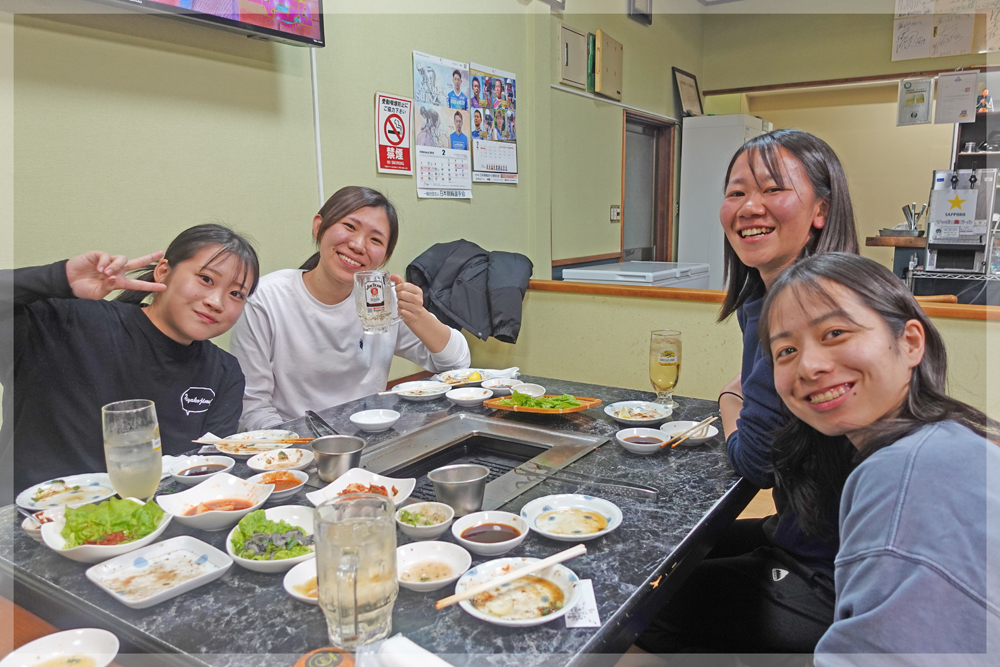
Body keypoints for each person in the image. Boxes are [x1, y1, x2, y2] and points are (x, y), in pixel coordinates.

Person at [636, 129, 860, 654]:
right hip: (801, 528)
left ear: (821, 211)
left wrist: (729, 401)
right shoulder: (780, 294)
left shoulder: (811, 305)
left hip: (833, 570)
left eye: (772, 189)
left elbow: (755, 460)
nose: (748, 207)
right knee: (663, 554)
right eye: (736, 192)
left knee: (642, 606)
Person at [759, 252, 999, 661]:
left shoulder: (909, 472)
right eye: (786, 351)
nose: (810, 366)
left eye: (835, 333)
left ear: (910, 342)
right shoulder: (943, 442)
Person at [1, 224, 260, 491]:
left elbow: (210, 472)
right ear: (163, 272)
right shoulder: (67, 322)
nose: (216, 302)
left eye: (236, 294)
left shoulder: (224, 373)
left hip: (153, 524)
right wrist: (59, 278)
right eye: (206, 279)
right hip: (29, 521)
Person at [229, 186, 471, 431]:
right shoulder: (266, 298)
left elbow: (457, 364)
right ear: (318, 227)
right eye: (349, 227)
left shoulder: (382, 301)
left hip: (369, 437)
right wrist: (296, 448)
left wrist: (418, 316)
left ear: (384, 257)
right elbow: (253, 407)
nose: (357, 245)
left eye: (375, 239)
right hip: (294, 446)